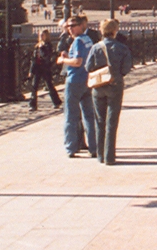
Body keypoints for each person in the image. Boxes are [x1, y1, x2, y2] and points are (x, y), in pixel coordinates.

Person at [86, 19, 133, 165]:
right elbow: (126, 68)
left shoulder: (96, 47)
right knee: (112, 122)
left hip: (99, 86)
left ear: (101, 30)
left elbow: (88, 67)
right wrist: (117, 74)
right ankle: (110, 156)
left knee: (100, 121)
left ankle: (100, 155)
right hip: (115, 85)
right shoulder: (122, 48)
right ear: (115, 31)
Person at [56, 15, 97, 158]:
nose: (70, 29)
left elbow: (78, 61)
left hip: (74, 80)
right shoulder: (88, 40)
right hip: (87, 79)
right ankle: (94, 146)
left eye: (73, 26)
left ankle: (70, 147)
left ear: (81, 26)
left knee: (71, 115)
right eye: (68, 26)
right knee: (89, 115)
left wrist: (64, 59)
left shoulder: (78, 41)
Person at [28, 29, 61, 110]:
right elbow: (34, 59)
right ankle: (33, 104)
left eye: (43, 35)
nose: (41, 37)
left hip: (45, 68)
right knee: (34, 86)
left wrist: (42, 48)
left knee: (49, 85)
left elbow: (46, 56)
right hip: (37, 68)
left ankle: (56, 102)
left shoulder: (48, 46)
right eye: (40, 35)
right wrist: (31, 71)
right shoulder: (37, 46)